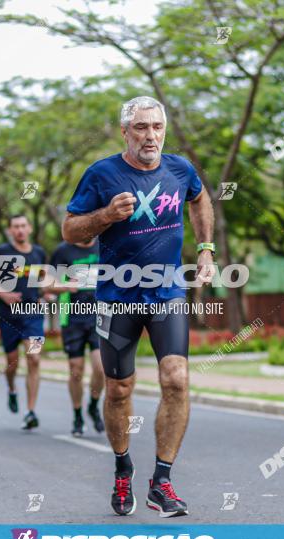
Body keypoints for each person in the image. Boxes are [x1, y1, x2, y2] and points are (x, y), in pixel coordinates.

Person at [62, 96, 215, 517]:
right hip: (118, 295)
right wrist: (106, 215)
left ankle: (161, 481)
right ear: (125, 131)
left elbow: (199, 199)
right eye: (142, 128)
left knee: (177, 379)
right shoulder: (102, 174)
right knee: (119, 389)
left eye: (158, 127)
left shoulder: (179, 169)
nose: (151, 136)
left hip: (166, 291)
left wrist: (205, 249)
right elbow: (72, 230)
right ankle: (122, 468)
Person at [0, 214, 47, 431]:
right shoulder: (2, 252)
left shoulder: (38, 253)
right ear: (10, 231)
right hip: (8, 315)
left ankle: (30, 412)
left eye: (23, 226)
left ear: (29, 228)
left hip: (33, 314)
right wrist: (4, 295)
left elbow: (42, 280)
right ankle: (12, 389)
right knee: (12, 363)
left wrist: (45, 294)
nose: (19, 230)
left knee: (35, 359)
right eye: (15, 227)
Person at [47, 237, 105, 437]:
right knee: (76, 370)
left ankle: (93, 405)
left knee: (101, 368)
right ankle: (78, 414)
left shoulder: (103, 244)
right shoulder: (63, 251)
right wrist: (65, 286)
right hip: (71, 317)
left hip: (99, 315)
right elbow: (47, 283)